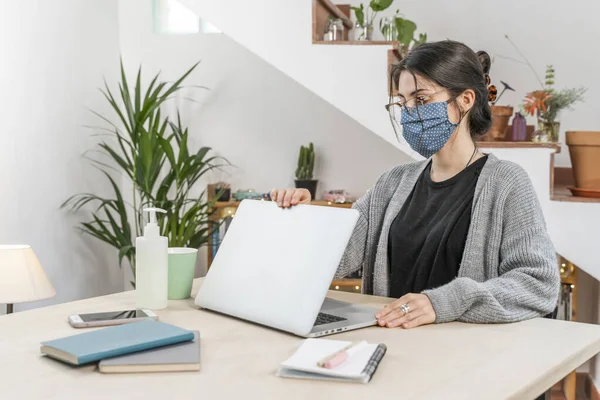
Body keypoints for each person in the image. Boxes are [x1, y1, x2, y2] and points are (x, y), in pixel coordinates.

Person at [270, 40, 560, 330]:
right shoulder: (392, 183)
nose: (409, 112)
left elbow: (538, 284)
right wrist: (300, 217)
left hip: (465, 359)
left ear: (466, 100)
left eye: (421, 99)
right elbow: (338, 255)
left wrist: (442, 302)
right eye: (402, 101)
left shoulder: (507, 183)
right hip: (388, 346)